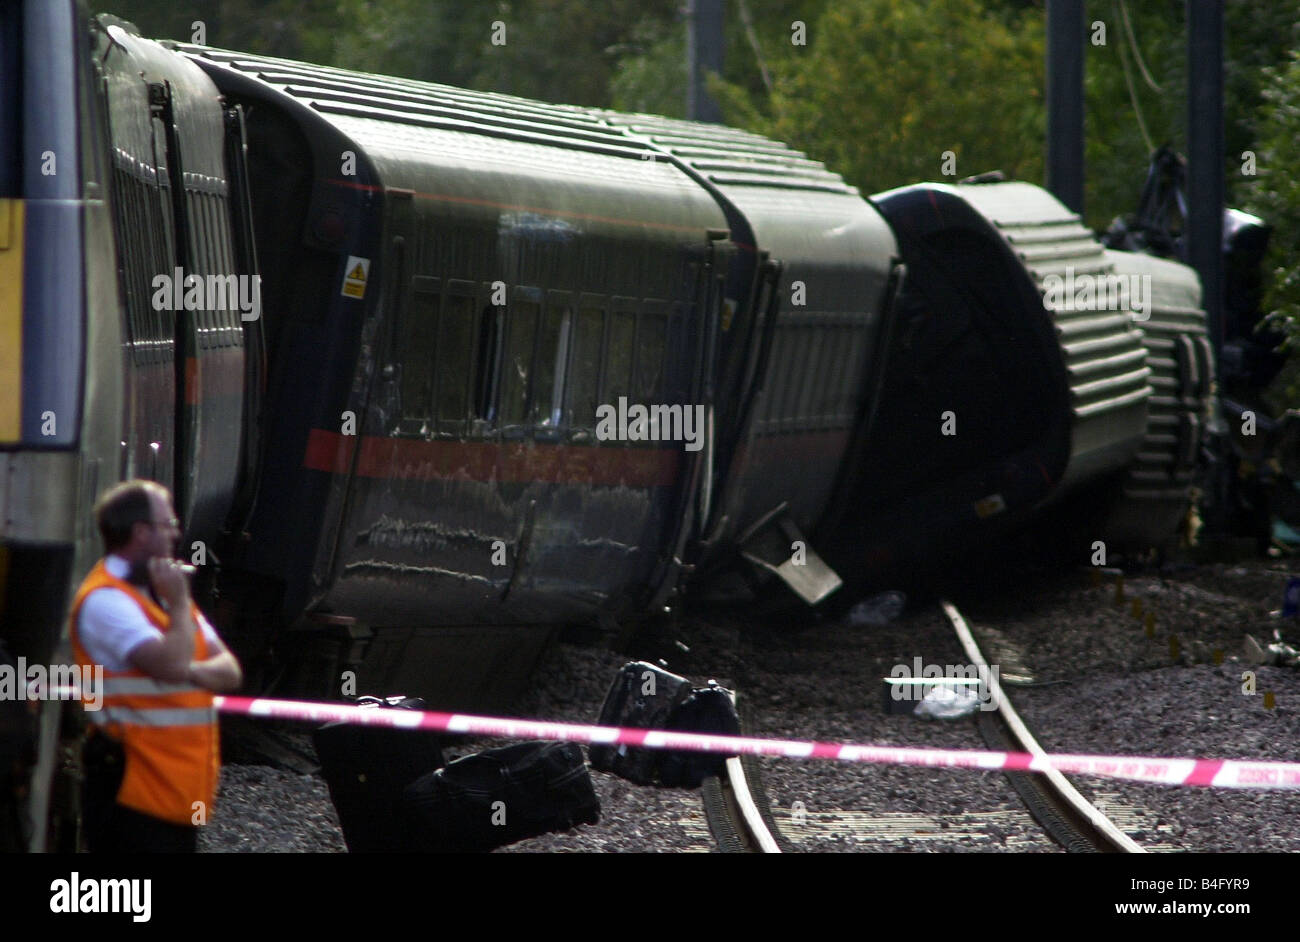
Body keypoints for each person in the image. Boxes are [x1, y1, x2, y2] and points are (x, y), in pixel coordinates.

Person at [71, 480, 242, 852]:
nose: (177, 532)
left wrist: (189, 669)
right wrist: (180, 609)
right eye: (167, 525)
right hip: (132, 784)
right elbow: (169, 665)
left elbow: (230, 671)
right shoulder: (107, 601)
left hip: (178, 789)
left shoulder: (161, 594)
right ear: (141, 532)